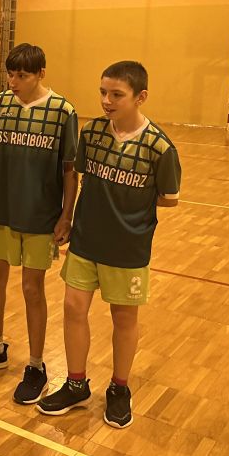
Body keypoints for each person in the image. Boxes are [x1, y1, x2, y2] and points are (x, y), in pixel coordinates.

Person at [38, 61, 180, 427]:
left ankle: (119, 388)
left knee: (124, 318)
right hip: (86, 239)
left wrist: (130, 208)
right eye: (103, 92)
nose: (106, 100)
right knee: (73, 307)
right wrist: (67, 218)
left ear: (140, 97)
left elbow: (169, 198)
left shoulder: (159, 147)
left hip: (128, 247)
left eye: (116, 94)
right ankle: (76, 384)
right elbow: (81, 178)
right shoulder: (92, 132)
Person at [0, 43, 78, 405]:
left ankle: (36, 365)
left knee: (32, 288)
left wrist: (66, 215)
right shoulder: (0, 105)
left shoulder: (63, 111)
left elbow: (70, 170)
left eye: (22, 75)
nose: (13, 81)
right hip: (1, 209)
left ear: (40, 73)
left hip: (40, 216)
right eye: (10, 74)